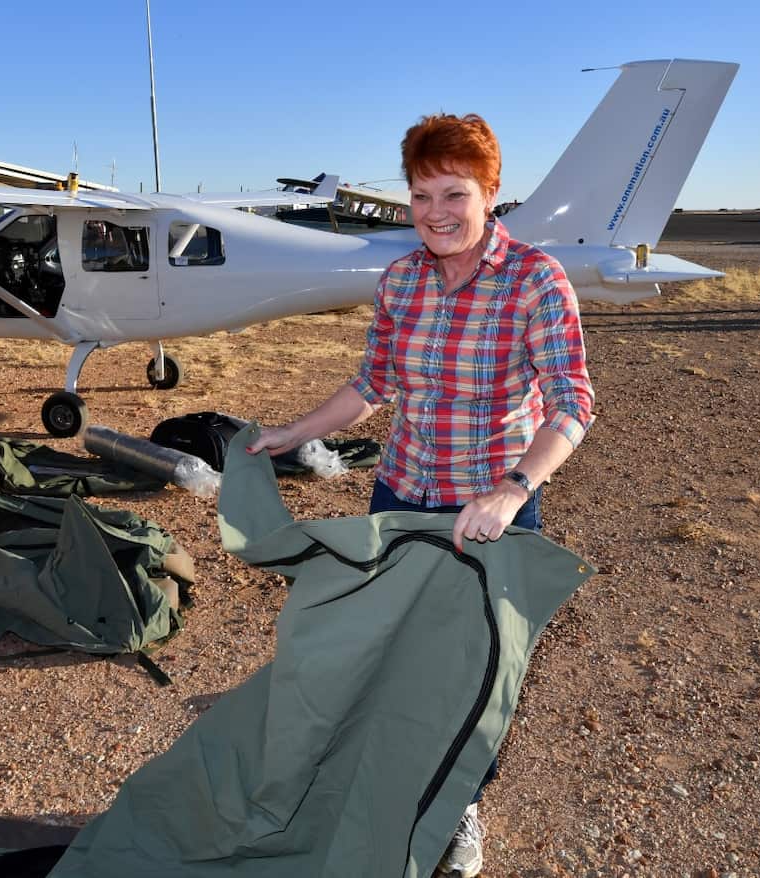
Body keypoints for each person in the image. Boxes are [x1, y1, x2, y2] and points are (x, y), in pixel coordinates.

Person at [247, 112, 594, 877]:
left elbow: (572, 404)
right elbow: (373, 384)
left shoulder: (535, 279)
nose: (436, 212)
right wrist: (290, 432)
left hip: (490, 508)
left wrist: (512, 491)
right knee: (394, 654)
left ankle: (460, 804)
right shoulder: (401, 280)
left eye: (454, 193)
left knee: (476, 670)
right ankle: (389, 781)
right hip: (400, 496)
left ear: (490, 193)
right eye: (421, 195)